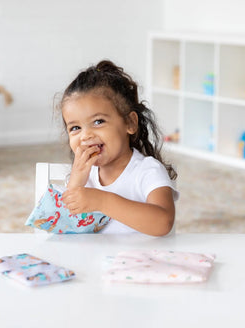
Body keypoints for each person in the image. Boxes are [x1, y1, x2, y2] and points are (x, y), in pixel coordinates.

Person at [60, 60, 179, 236]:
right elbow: (64, 225)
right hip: (93, 260)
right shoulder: (85, 176)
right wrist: (76, 182)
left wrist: (103, 201)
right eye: (75, 128)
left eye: (98, 121)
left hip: (138, 260)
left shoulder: (147, 171)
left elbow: (163, 223)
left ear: (130, 123)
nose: (85, 136)